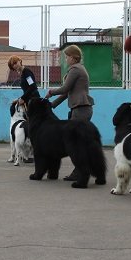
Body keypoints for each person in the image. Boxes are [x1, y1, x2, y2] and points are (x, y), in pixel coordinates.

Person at [45, 44, 94, 181]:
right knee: (78, 142)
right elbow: (68, 92)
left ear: (73, 57)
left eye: (67, 56)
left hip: (80, 109)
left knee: (76, 143)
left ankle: (80, 171)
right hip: (80, 109)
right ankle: (81, 170)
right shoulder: (78, 69)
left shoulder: (75, 69)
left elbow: (64, 88)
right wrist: (52, 105)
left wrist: (50, 92)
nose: (65, 59)